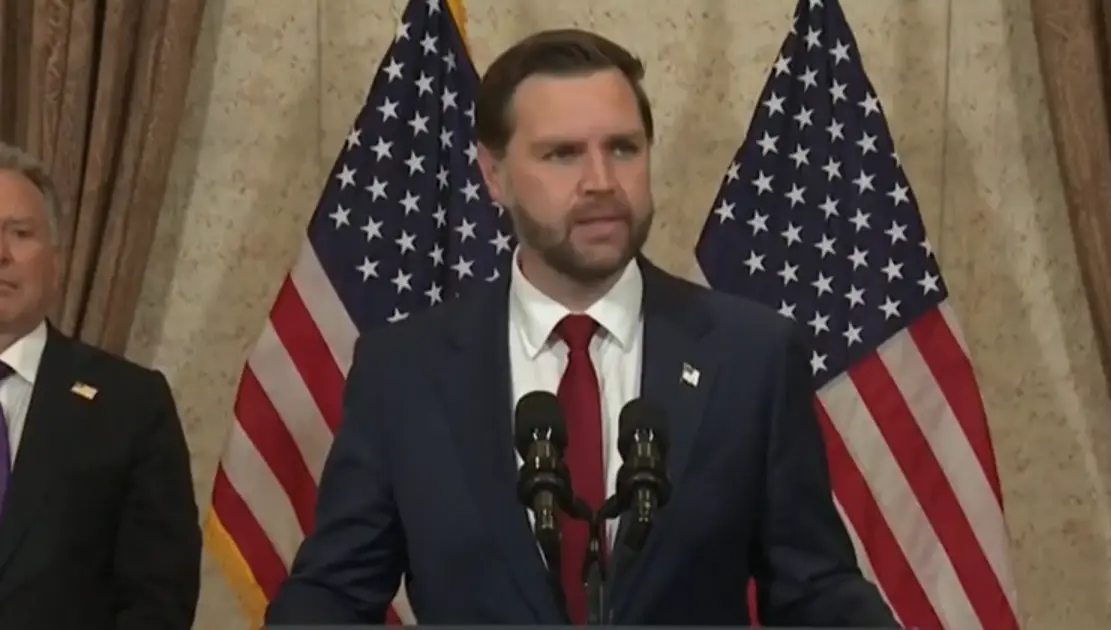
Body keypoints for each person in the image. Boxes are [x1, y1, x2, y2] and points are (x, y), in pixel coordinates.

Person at [265, 29, 898, 628]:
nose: (601, 182)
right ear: (494, 175)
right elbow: (335, 594)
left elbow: (815, 589)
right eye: (563, 154)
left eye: (623, 148)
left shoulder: (752, 357)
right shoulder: (403, 372)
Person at [0, 143, 201, 629]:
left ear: (56, 261)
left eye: (20, 233)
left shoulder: (132, 407)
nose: (0, 254)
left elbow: (158, 602)